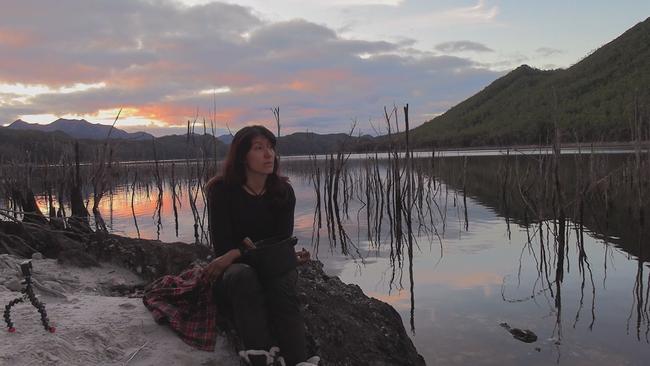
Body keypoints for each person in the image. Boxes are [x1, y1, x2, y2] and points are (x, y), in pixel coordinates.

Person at [204, 125, 318, 366]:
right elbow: (222, 248)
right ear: (242, 156)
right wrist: (245, 253)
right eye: (259, 148)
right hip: (237, 274)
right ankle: (260, 358)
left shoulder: (282, 192)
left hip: (269, 267)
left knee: (282, 282)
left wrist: (240, 250)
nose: (269, 155)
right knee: (244, 276)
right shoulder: (221, 191)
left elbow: (281, 243)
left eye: (271, 148)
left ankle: (300, 361)